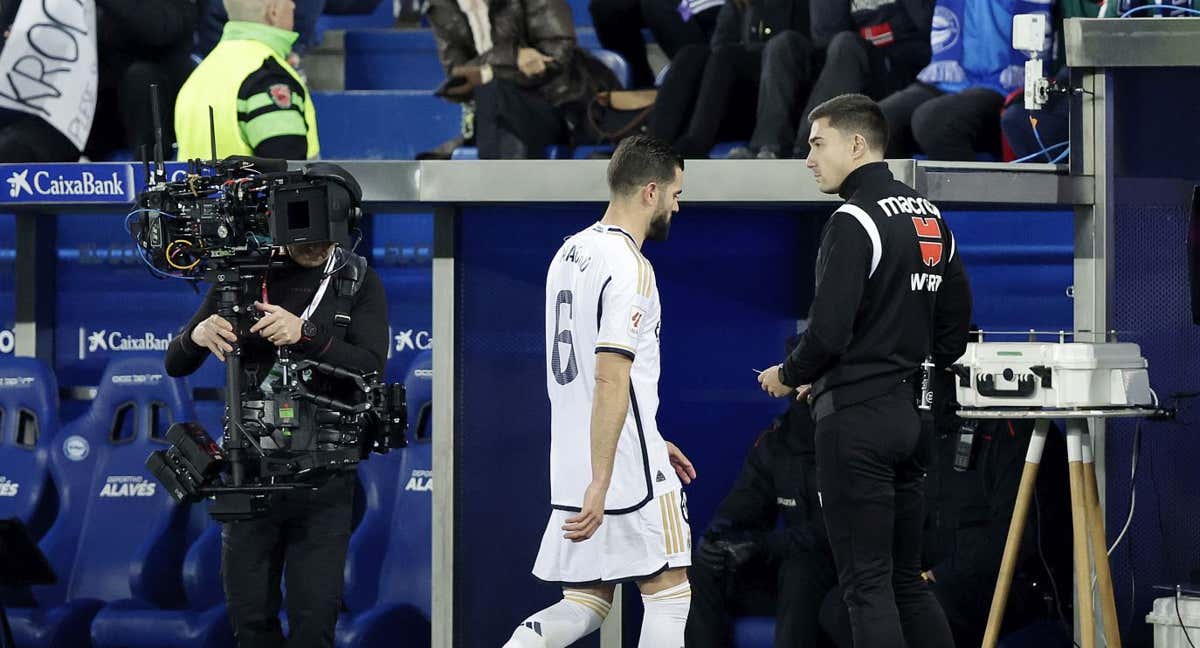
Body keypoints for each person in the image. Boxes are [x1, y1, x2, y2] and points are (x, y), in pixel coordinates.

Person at [756, 93, 971, 648]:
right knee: (906, 582)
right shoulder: (930, 215)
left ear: (856, 145)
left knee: (867, 586)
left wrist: (789, 372)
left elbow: (826, 334)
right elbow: (954, 329)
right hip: (914, 419)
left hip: (857, 425)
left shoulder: (853, 219)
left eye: (817, 143)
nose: (808, 158)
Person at [164, 170, 388, 648]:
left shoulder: (358, 281)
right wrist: (196, 335)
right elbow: (176, 362)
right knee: (251, 625)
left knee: (313, 628)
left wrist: (307, 336)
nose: (311, 245)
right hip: (249, 471)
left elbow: (370, 366)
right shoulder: (244, 273)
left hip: (324, 479)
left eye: (323, 234)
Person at [502, 136, 695, 647]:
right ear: (650, 192)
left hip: (576, 457)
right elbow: (611, 374)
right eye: (676, 192)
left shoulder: (570, 251)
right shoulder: (630, 266)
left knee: (586, 601)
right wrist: (606, 475)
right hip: (617, 466)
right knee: (670, 594)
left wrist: (648, 437)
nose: (678, 203)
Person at [686, 397, 838, 648]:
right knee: (705, 569)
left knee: (802, 568)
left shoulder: (853, 435)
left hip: (841, 576)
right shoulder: (779, 439)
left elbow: (836, 532)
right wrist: (717, 538)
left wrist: (759, 545)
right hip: (784, 568)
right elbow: (745, 501)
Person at [0, 0, 196, 162]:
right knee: (14, 148)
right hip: (79, 109)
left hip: (148, 102)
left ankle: (150, 189)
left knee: (140, 78)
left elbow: (164, 28)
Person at [427, 0, 620, 158]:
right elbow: (458, 77)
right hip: (491, 114)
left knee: (497, 92)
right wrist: (511, 56)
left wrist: (488, 73)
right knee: (493, 94)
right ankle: (504, 198)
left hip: (559, 105)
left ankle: (501, 198)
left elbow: (556, 52)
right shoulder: (442, 6)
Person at [876, 0, 1051, 161]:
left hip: (1002, 84)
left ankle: (969, 195)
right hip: (950, 76)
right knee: (880, 120)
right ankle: (899, 193)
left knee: (935, 121)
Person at [652, 0, 812, 158]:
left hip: (781, 104)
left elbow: (801, 53)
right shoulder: (737, 5)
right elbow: (719, 47)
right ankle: (650, 148)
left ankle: (695, 147)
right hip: (730, 104)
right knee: (691, 54)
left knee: (727, 57)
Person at [781, 0, 933, 159]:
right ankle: (769, 147)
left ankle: (809, 149)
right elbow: (825, 37)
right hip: (847, 64)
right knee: (785, 45)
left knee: (847, 44)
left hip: (901, 67)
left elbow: (927, 23)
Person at [176, 0, 320, 161]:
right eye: (289, 1)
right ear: (273, 13)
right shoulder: (269, 77)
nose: (294, 6)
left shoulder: (200, 75)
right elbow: (288, 172)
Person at [589, 0, 722, 89]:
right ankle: (638, 90)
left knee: (659, 2)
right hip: (677, 6)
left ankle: (701, 85)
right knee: (607, 6)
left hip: (697, 6)